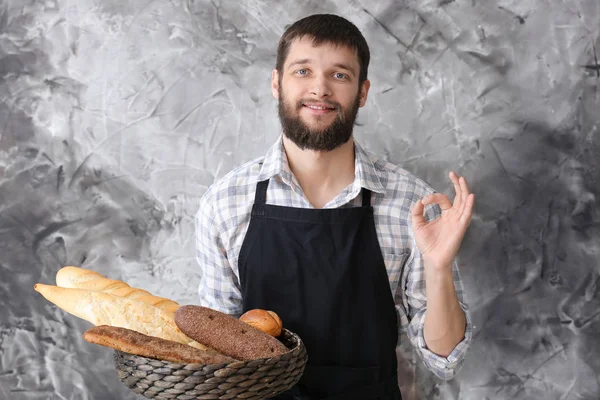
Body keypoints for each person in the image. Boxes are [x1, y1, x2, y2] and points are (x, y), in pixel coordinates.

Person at [195, 13, 474, 400]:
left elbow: (444, 357)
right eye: (303, 71)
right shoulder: (226, 202)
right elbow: (216, 346)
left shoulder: (409, 203)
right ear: (277, 83)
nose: (320, 88)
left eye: (339, 75)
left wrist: (439, 267)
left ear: (362, 92)